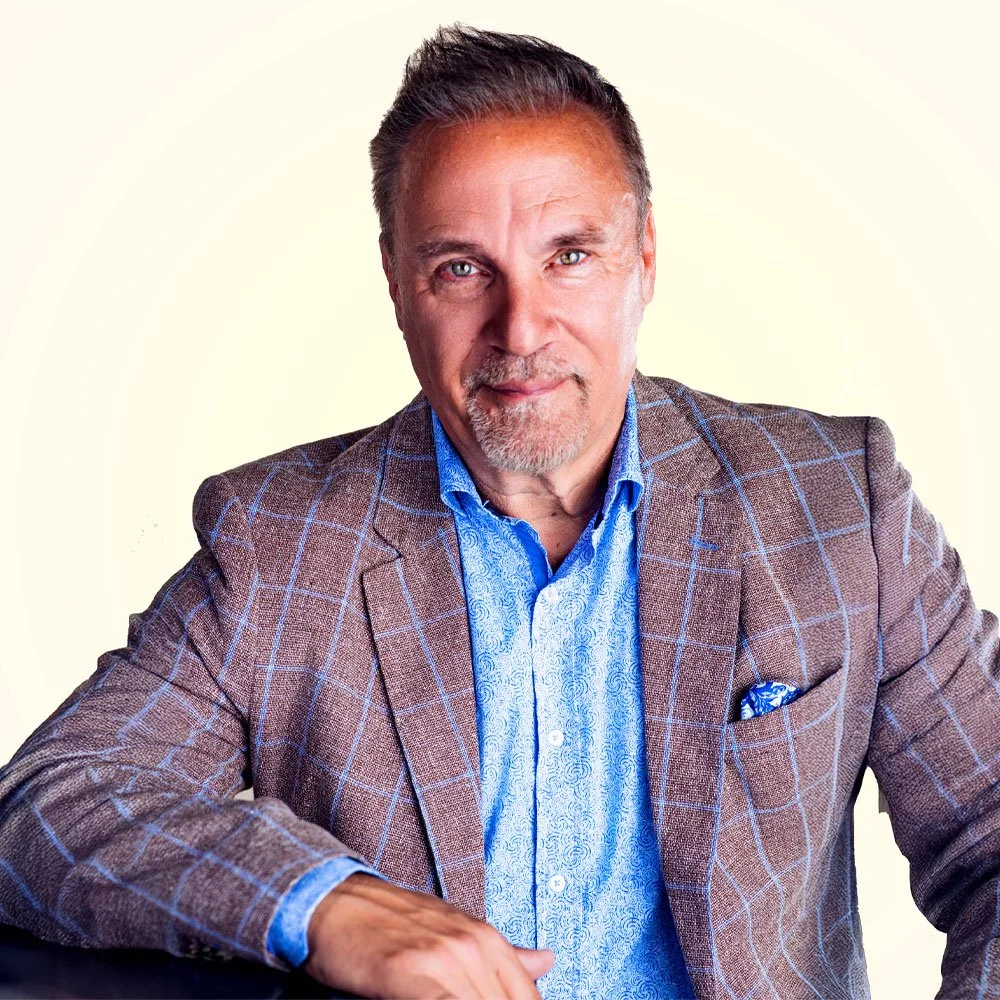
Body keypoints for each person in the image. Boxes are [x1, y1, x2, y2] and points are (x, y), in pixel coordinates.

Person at [1, 23, 997, 1000]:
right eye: (462, 268)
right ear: (397, 282)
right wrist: (320, 902)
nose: (520, 330)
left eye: (570, 256)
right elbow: (44, 809)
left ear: (644, 257)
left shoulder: (840, 504)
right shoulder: (281, 544)